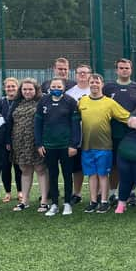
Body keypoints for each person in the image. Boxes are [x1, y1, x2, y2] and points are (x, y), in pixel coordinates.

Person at [78, 74, 131, 214]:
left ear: (102, 84)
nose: (94, 84)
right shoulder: (82, 101)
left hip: (104, 146)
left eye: (97, 82)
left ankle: (104, 201)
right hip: (86, 146)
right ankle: (93, 201)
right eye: (92, 82)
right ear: (88, 84)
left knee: (102, 174)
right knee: (91, 174)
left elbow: (126, 116)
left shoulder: (109, 102)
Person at [35, 78, 82, 216]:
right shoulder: (43, 101)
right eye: (53, 86)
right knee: (53, 175)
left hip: (66, 146)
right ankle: (54, 203)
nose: (56, 88)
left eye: (59, 86)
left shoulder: (70, 102)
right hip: (49, 146)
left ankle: (67, 203)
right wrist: (39, 144)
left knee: (67, 175)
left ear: (64, 87)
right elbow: (38, 124)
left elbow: (75, 125)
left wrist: (74, 144)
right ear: (50, 87)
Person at [103, 58, 136, 204]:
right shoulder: (108, 88)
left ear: (131, 70)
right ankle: (113, 193)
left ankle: (131, 193)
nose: (124, 70)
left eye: (126, 68)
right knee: (114, 164)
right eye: (121, 68)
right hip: (113, 133)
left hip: (132, 134)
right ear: (117, 70)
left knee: (131, 163)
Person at [11, 78, 48, 212]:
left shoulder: (42, 102)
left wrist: (42, 142)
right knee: (25, 170)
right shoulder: (16, 103)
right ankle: (24, 201)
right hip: (20, 143)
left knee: (40, 170)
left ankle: (44, 201)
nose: (27, 91)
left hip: (36, 143)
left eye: (30, 89)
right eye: (24, 89)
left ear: (36, 90)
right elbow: (10, 121)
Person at [65, 63, 93, 204]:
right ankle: (77, 193)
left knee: (95, 166)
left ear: (90, 75)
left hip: (93, 135)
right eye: (80, 72)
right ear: (75, 75)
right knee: (76, 167)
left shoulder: (96, 90)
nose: (83, 75)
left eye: (85, 72)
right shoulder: (69, 93)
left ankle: (98, 194)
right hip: (76, 136)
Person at [0, 77, 22, 204]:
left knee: (18, 167)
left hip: (18, 140)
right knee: (5, 168)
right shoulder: (0, 103)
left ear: (17, 88)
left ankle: (20, 192)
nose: (11, 89)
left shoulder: (21, 101)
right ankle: (7, 192)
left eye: (13, 86)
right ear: (4, 88)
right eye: (8, 86)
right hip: (2, 141)